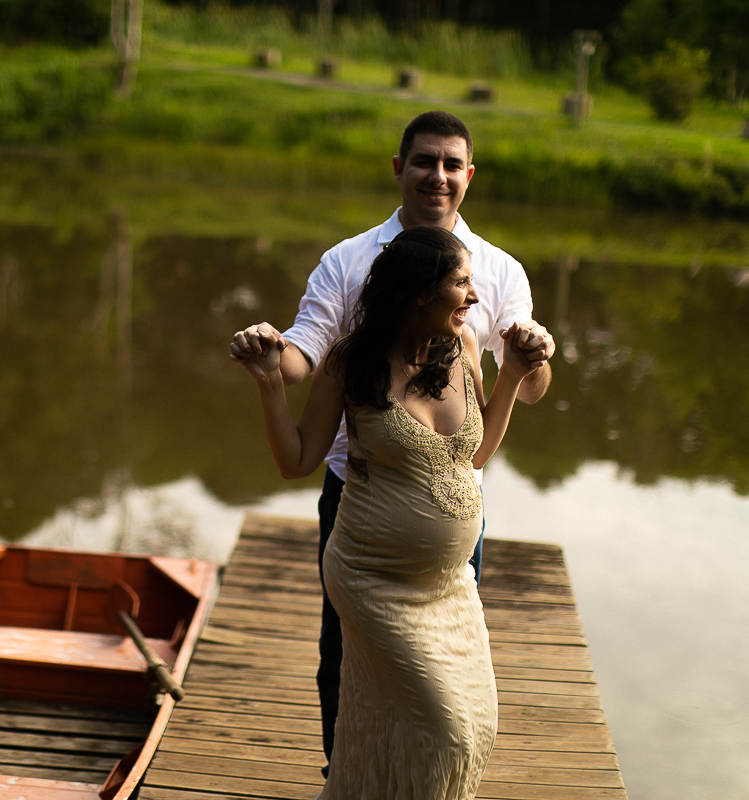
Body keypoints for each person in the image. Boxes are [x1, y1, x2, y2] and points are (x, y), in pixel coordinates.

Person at [230, 110, 556, 772]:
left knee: (453, 708)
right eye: (424, 161)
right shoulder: (348, 265)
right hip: (363, 507)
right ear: (399, 168)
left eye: (451, 164)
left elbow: (516, 398)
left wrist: (531, 359)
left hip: (454, 521)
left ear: (468, 174)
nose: (437, 176)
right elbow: (307, 357)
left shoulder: (495, 277)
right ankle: (347, 773)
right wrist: (270, 366)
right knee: (352, 663)